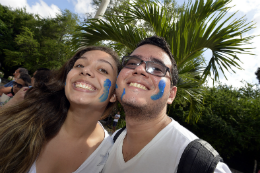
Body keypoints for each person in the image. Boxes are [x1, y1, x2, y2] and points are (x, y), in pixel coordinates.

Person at [102, 36, 232, 173]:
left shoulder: (201, 164)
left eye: (157, 68)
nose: (139, 69)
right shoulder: (112, 142)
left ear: (171, 95)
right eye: (132, 63)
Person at [0, 46, 120, 173]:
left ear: (113, 94)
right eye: (79, 65)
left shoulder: (108, 158)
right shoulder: (25, 118)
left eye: (102, 70)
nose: (85, 70)